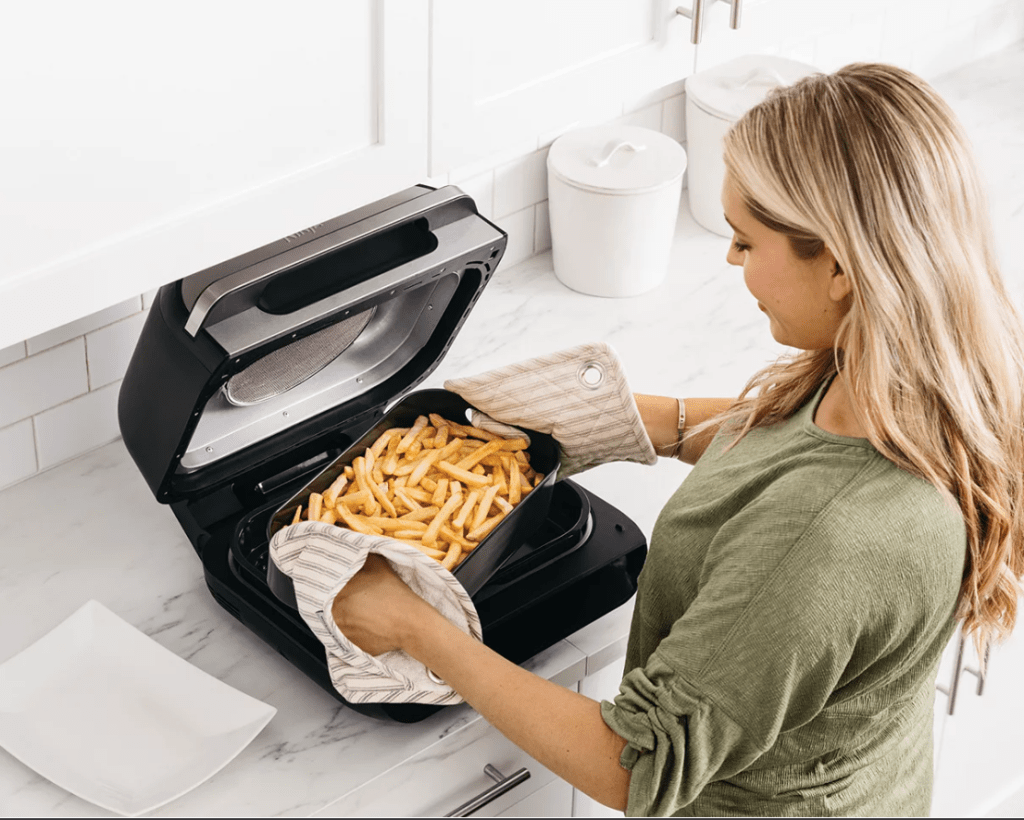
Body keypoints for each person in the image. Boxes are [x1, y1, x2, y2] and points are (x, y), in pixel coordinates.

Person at [330, 63, 1024, 816]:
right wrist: (647, 421)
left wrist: (415, 625)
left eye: (746, 240)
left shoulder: (827, 541)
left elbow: (638, 766)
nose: (730, 260)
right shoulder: (923, 381)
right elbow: (814, 447)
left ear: (840, 268)